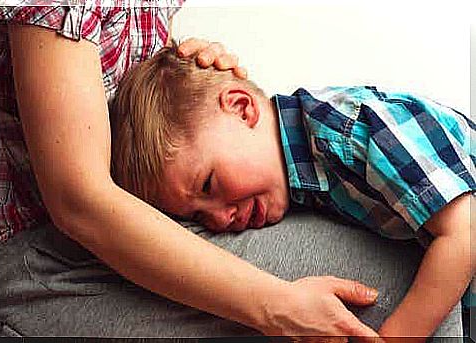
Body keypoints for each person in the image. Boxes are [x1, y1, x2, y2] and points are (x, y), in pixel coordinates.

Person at [110, 42, 475, 341]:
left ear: (241, 107)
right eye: (198, 217)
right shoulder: (299, 179)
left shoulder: (348, 131)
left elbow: (466, 230)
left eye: (208, 185)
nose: (220, 218)